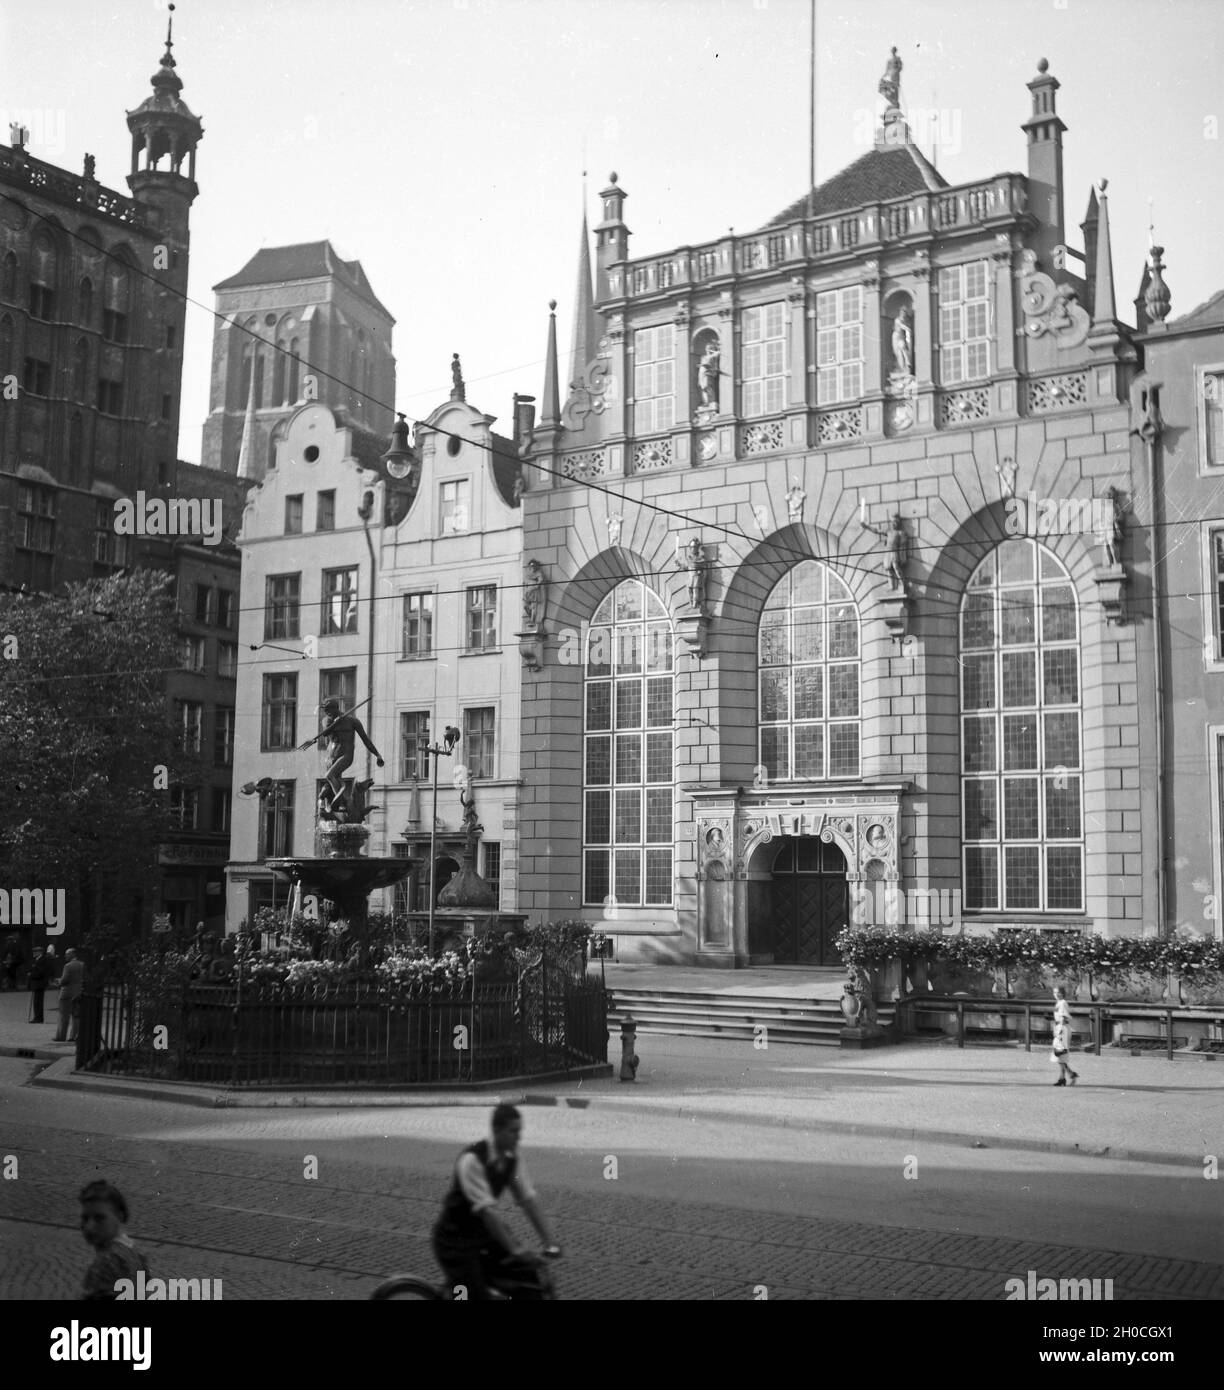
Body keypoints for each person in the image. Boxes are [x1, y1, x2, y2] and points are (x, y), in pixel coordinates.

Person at [432, 1104, 560, 1300]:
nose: (519, 1137)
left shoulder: (511, 1158)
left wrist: (550, 1241)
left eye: (520, 1131)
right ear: (496, 1130)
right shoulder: (473, 1160)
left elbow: (528, 1200)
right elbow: (488, 1213)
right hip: (456, 1239)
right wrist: (516, 1249)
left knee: (527, 1278)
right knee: (472, 1295)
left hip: (484, 1235)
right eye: (513, 1131)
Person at [79, 1181, 150, 1300]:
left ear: (120, 1216)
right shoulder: (135, 1252)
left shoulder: (106, 1261)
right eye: (85, 1218)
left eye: (99, 1218)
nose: (89, 1226)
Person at [54, 948, 85, 1043]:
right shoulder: (82, 965)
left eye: (67, 954)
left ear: (72, 954)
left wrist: (58, 981)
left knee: (64, 1016)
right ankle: (73, 1036)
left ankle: (61, 1036)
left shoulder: (67, 966)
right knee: (76, 1016)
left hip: (67, 993)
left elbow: (65, 980)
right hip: (78, 993)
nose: (65, 956)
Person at [1050, 986, 1079, 1086]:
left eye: (1058, 993)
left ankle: (1069, 1075)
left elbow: (1063, 1018)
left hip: (1062, 1028)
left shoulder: (1062, 1003)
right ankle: (1064, 1077)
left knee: (1060, 1053)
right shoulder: (1059, 1003)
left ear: (1063, 993)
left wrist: (1059, 1032)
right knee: (1059, 1055)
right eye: (1055, 992)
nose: (1056, 994)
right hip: (1060, 1027)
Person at [27, 945, 52, 1024]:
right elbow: (33, 969)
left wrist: (31, 975)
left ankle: (38, 1018)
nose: (34, 953)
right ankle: (37, 1017)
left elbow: (40, 972)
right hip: (36, 983)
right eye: (34, 951)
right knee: (36, 1001)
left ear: (40, 952)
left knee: (38, 1002)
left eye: (35, 951)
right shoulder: (36, 960)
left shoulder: (42, 960)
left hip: (40, 983)